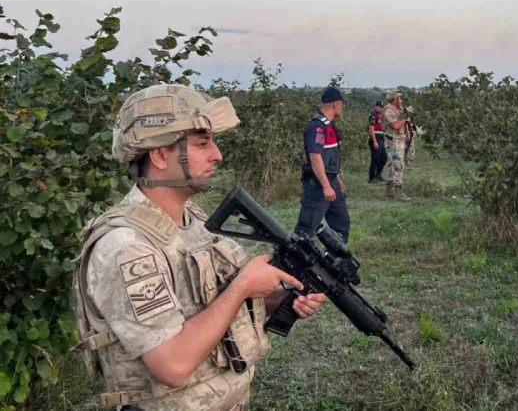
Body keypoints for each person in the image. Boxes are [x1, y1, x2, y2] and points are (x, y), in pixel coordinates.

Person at [70, 84, 327, 411]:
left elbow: (207, 312)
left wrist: (276, 300)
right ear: (161, 154)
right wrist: (243, 286)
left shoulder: (192, 220)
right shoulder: (127, 246)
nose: (217, 154)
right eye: (202, 144)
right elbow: (172, 365)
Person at [294, 87, 351, 243]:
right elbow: (316, 158)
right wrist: (326, 185)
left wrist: (336, 178)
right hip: (317, 186)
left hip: (332, 182)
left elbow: (329, 157)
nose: (342, 109)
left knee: (342, 225)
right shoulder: (317, 127)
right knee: (305, 230)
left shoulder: (331, 126)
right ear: (336, 104)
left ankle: (336, 262)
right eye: (342, 105)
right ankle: (293, 264)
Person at [381, 89, 412, 201]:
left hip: (400, 140)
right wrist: (405, 120)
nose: (401, 100)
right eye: (399, 98)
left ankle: (389, 190)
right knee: (398, 164)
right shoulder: (389, 110)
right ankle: (398, 190)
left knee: (393, 165)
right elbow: (395, 125)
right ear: (394, 99)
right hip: (393, 142)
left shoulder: (399, 109)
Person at [368, 100, 388, 183]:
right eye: (379, 106)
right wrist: (374, 141)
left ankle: (378, 174)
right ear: (376, 106)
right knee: (375, 159)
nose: (381, 108)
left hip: (381, 137)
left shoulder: (381, 116)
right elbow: (371, 130)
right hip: (375, 137)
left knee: (384, 157)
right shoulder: (373, 116)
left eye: (382, 107)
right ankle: (372, 178)